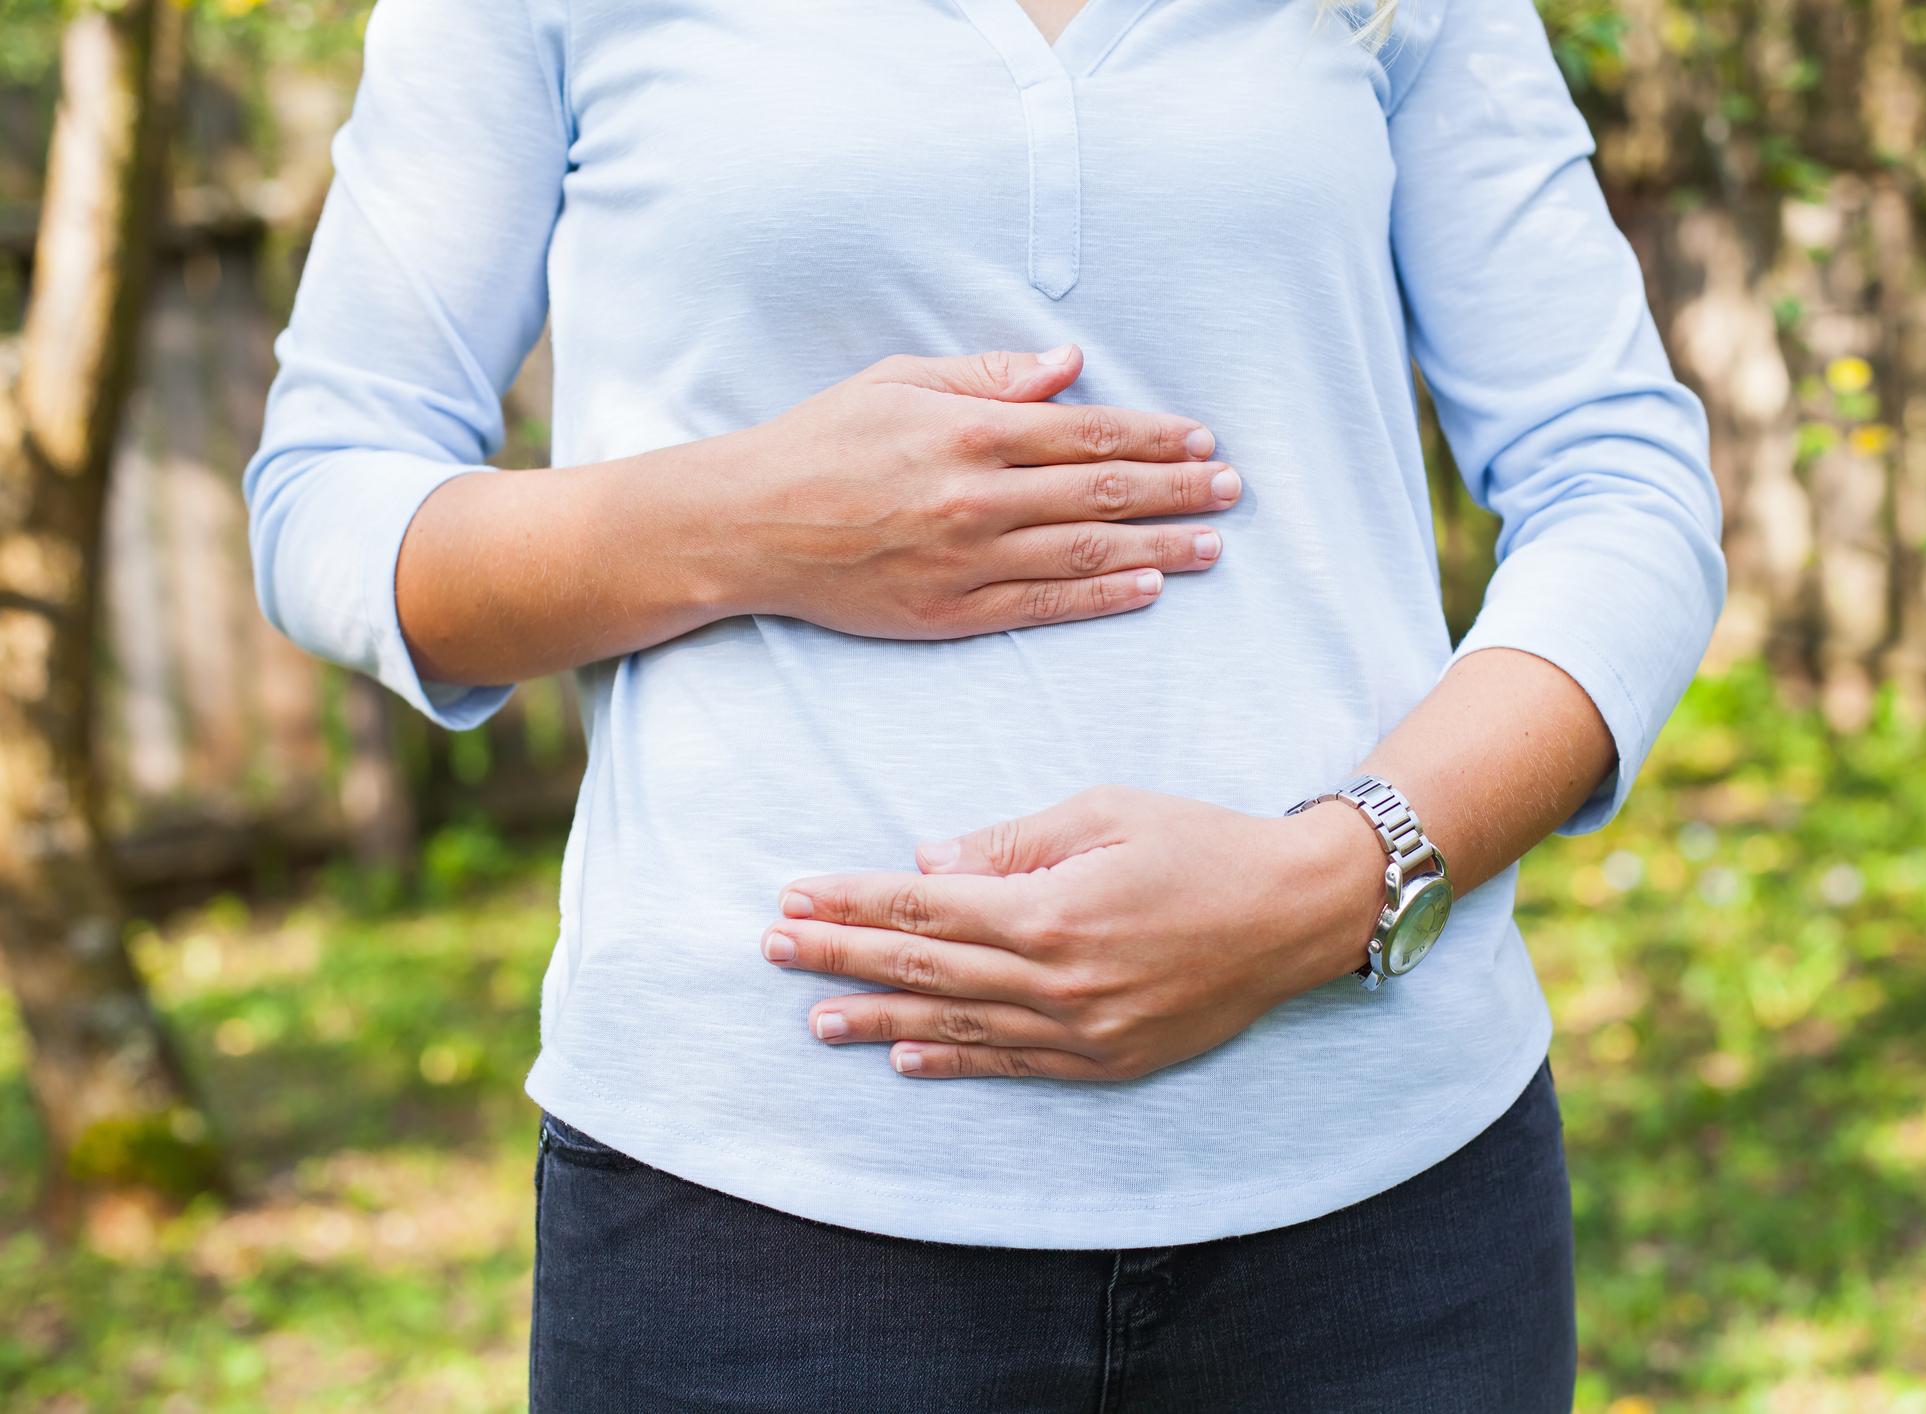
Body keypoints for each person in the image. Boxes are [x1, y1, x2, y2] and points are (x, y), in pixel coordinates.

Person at [244, 0, 1725, 1408]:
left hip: (1386, 1229)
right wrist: (749, 519)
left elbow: (1618, 483)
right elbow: (329, 498)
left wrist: (1333, 880)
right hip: (758, 1236)